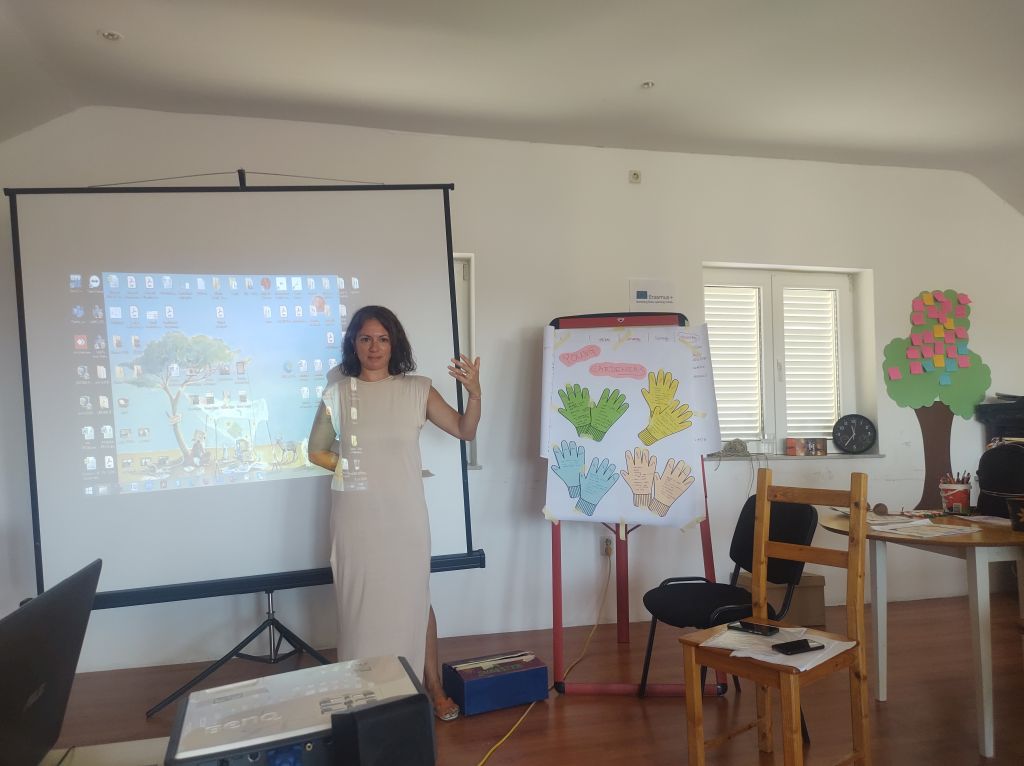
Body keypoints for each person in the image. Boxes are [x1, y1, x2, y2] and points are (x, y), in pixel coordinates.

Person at [307, 305, 481, 722]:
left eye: (383, 339)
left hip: (404, 516)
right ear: (353, 343)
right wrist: (352, 468)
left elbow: (464, 429)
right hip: (356, 516)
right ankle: (362, 696)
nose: (374, 347)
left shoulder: (417, 389)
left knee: (414, 599)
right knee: (359, 606)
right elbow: (315, 451)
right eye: (366, 338)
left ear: (394, 344)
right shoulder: (338, 392)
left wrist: (475, 394)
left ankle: (428, 688)